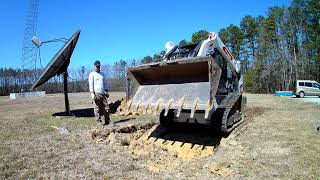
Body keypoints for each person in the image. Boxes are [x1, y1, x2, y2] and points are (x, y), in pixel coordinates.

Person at [88, 60, 110, 125]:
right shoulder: (92, 74)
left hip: (103, 93)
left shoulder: (102, 74)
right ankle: (99, 122)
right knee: (96, 109)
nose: (98, 67)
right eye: (97, 66)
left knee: (106, 108)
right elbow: (91, 84)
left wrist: (106, 90)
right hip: (96, 94)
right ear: (94, 66)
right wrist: (92, 93)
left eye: (99, 66)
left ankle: (107, 121)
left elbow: (105, 83)